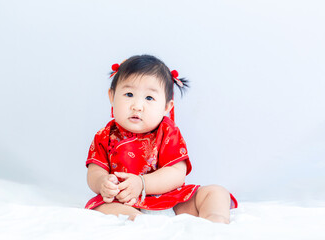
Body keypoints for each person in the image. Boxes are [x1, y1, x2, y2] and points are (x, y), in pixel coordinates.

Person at [85, 55, 238, 223]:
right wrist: (102, 182)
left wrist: (142, 183)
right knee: (100, 206)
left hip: (171, 200)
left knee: (215, 192)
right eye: (129, 94)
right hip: (125, 200)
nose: (137, 106)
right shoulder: (105, 135)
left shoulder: (168, 132)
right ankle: (138, 219)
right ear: (112, 97)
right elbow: (94, 170)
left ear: (166, 107)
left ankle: (215, 220)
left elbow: (176, 174)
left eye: (149, 98)